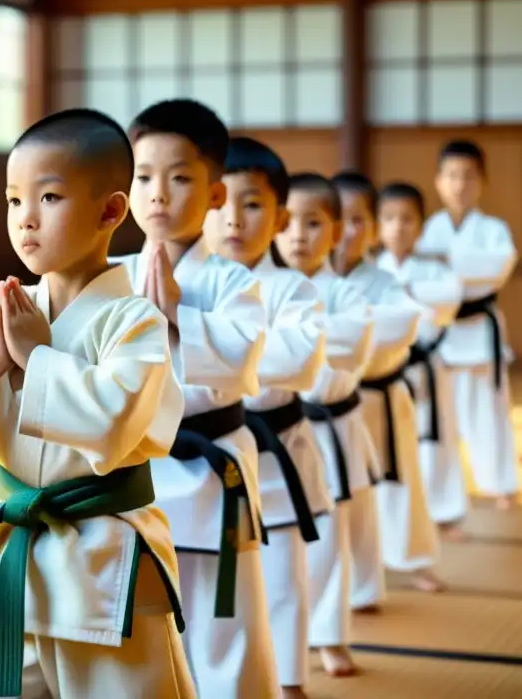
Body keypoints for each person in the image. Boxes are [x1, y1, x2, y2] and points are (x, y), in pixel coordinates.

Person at [0, 109, 196, 699]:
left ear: (110, 212)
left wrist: (38, 358)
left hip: (105, 557)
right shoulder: (5, 315)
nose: (26, 220)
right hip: (17, 552)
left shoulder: (134, 321)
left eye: (49, 197)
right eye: (14, 201)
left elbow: (113, 419)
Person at [116, 99, 277, 698]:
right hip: (135, 468)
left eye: (180, 177)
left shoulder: (234, 281)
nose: (158, 193)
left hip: (210, 464)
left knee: (222, 613)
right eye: (143, 176)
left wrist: (180, 312)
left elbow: (241, 364)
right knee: (136, 612)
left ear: (214, 194)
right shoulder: (110, 273)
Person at [205, 136, 331, 699]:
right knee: (206, 588)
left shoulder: (294, 288)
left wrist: (205, 343)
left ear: (279, 216)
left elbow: (299, 361)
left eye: (252, 203)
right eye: (222, 202)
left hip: (275, 448)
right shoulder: (183, 283)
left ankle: (290, 679)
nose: (234, 218)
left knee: (282, 579)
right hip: (203, 459)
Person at [275, 172, 377, 678]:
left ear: (336, 232)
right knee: (277, 545)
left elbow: (351, 342)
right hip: (272, 435)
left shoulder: (348, 297)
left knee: (329, 540)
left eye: (313, 223)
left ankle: (331, 637)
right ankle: (283, 643)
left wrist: (288, 332)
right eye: (287, 222)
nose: (298, 234)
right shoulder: (258, 288)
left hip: (328, 428)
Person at [332, 170, 442, 600]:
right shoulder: (310, 282)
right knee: (347, 494)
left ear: (373, 228)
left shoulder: (385, 282)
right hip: (336, 404)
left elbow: (401, 327)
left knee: (402, 485)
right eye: (338, 219)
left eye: (359, 220)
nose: (348, 231)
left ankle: (415, 560)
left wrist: (340, 337)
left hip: (382, 393)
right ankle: (355, 581)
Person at [416, 140, 519, 511]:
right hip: (442, 334)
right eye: (452, 176)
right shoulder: (428, 230)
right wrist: (452, 268)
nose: (460, 185)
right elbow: (422, 280)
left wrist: (447, 262)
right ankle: (438, 491)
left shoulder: (494, 229)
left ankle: (499, 483)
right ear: (439, 182)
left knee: (489, 414)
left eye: (469, 177)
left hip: (479, 335)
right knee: (437, 420)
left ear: (482, 182)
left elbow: (498, 267)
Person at [376, 181, 468, 537]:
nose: (398, 227)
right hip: (389, 371)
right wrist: (413, 301)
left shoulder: (437, 270)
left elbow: (449, 301)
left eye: (407, 219)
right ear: (377, 225)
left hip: (427, 367)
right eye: (389, 218)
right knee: (393, 444)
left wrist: (405, 295)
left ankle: (444, 511)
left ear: (421, 225)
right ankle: (393, 521)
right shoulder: (373, 270)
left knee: (437, 441)